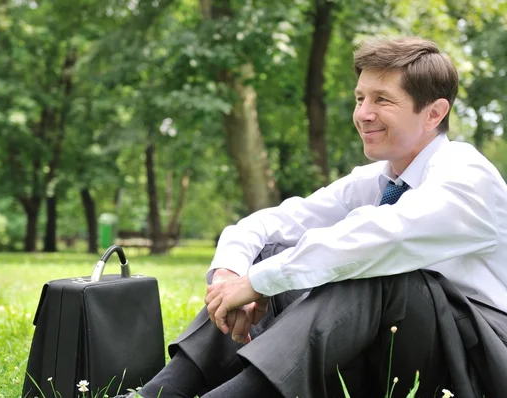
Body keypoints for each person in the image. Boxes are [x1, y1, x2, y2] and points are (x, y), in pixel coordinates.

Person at [116, 37, 507, 398]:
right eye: (359, 98)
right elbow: (269, 224)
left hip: (480, 359)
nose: (363, 114)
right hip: (399, 348)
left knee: (368, 269)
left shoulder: (466, 176)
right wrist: (231, 276)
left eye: (382, 100)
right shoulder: (378, 179)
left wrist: (261, 282)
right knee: (274, 253)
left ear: (434, 112)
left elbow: (380, 240)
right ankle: (163, 392)